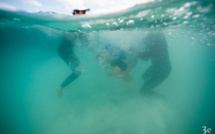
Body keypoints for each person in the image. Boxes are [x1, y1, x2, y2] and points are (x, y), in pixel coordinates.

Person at [56, 32, 86, 97]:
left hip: (66, 51)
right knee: (78, 71)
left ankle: (66, 83)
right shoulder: (73, 32)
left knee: (77, 69)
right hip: (65, 52)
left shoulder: (75, 33)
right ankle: (60, 87)